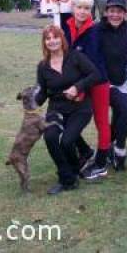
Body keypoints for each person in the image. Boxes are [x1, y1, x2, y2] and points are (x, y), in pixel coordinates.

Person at [36, 25, 100, 195]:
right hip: (56, 108)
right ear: (44, 43)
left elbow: (95, 75)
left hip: (80, 107)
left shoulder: (75, 57)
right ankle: (67, 177)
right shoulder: (43, 66)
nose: (52, 41)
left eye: (55, 37)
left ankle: (73, 169)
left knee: (66, 141)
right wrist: (32, 102)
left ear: (61, 38)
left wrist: (77, 87)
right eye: (48, 38)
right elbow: (42, 92)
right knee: (50, 137)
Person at [60, 0, 111, 180]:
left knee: (101, 121)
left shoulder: (95, 31)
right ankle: (85, 151)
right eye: (79, 7)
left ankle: (101, 162)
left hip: (97, 81)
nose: (82, 12)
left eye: (87, 8)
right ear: (72, 8)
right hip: (76, 81)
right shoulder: (65, 25)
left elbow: (94, 65)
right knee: (67, 116)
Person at [96, 0, 127, 171]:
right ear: (106, 12)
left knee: (121, 115)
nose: (115, 15)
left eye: (119, 11)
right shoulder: (97, 30)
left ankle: (110, 147)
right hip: (105, 82)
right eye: (112, 11)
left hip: (124, 80)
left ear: (124, 13)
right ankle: (119, 148)